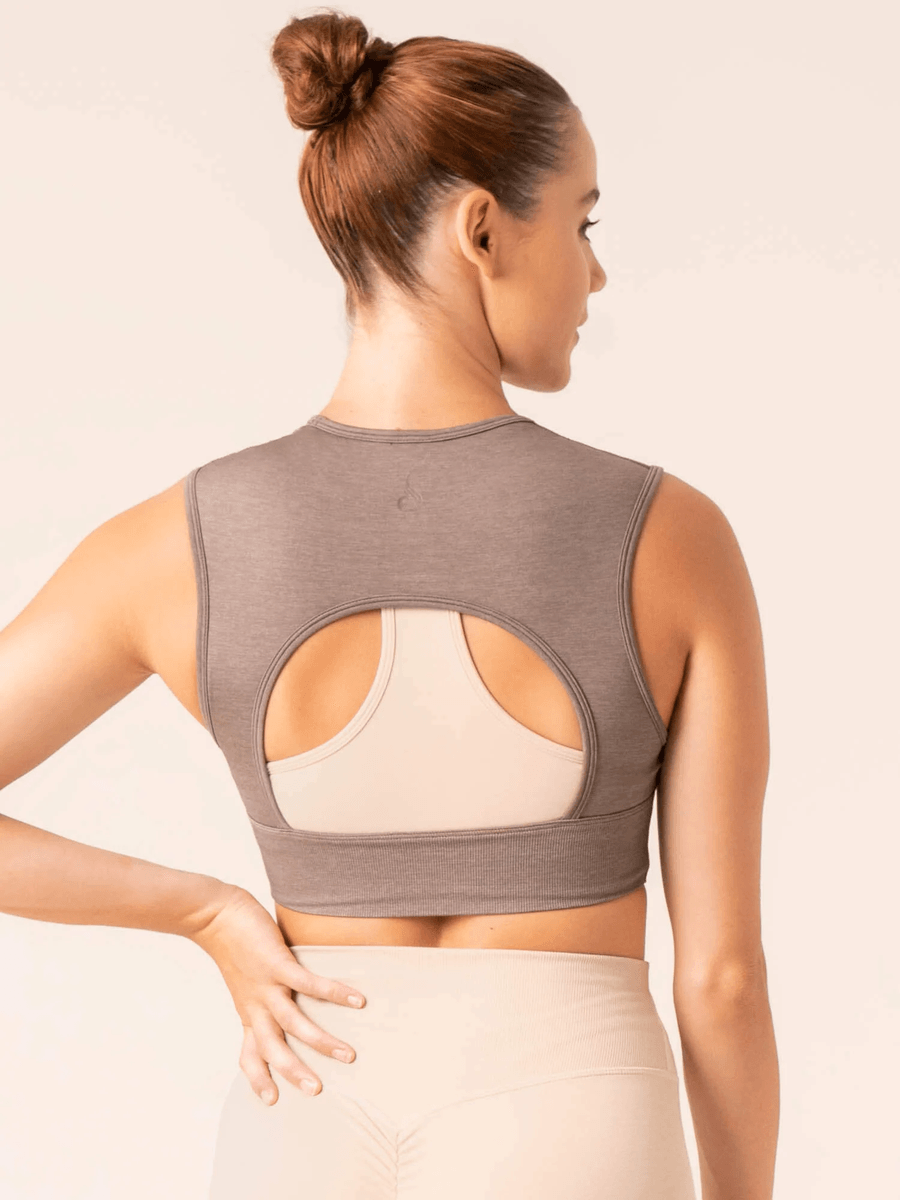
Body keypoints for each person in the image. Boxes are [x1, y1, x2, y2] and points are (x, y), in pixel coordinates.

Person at [0, 9, 779, 1198]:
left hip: (305, 1108)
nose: (596, 273)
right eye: (582, 224)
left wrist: (206, 913)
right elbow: (721, 980)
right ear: (483, 229)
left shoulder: (175, 544)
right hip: (575, 1110)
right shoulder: (668, 535)